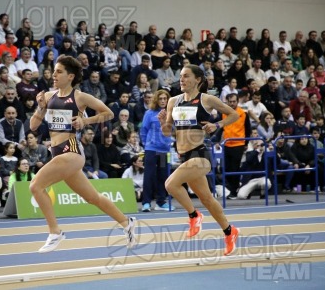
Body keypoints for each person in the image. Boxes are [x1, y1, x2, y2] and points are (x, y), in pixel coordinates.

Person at [29, 55, 136, 253]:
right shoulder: (47, 96)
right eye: (54, 71)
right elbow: (33, 125)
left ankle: (55, 232)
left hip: (72, 151)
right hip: (57, 153)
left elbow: (109, 114)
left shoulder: (80, 97)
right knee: (92, 198)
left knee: (35, 186)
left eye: (59, 72)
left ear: (70, 76)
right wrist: (41, 108)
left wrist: (85, 122)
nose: (54, 75)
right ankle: (127, 222)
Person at [157, 64, 239, 255]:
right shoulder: (173, 102)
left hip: (200, 154)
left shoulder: (207, 100)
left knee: (170, 185)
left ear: (198, 80)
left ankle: (194, 215)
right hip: (184, 156)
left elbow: (234, 114)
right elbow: (168, 132)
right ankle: (230, 231)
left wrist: (217, 124)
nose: (182, 79)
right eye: (181, 76)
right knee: (207, 199)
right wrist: (163, 123)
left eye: (186, 76)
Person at [140, 89, 173, 212]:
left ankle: (160, 202)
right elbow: (143, 130)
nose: (163, 101)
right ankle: (146, 203)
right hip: (151, 149)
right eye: (160, 99)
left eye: (165, 98)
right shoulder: (149, 113)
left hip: (165, 150)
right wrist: (146, 144)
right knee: (149, 175)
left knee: (163, 176)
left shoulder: (171, 113)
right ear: (156, 100)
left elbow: (172, 130)